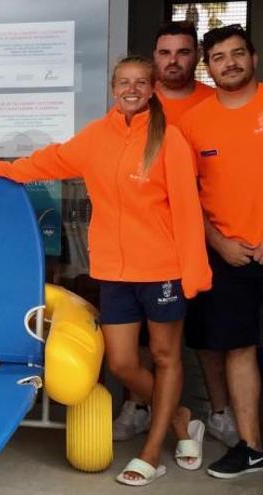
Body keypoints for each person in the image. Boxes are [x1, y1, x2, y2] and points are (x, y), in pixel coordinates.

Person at [0, 55, 211, 485]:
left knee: (166, 357)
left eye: (140, 82)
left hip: (163, 267)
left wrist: (194, 272)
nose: (131, 89)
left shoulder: (171, 140)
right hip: (114, 270)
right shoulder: (96, 137)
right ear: (113, 89)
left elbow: (187, 210)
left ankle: (151, 452)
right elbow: (49, 161)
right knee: (123, 361)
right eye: (124, 82)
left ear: (151, 89)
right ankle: (182, 419)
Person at [112, 20, 233, 445]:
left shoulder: (213, 101)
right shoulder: (137, 103)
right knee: (142, 336)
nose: (173, 61)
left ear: (196, 57)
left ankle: (219, 412)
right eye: (165, 53)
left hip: (211, 236)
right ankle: (139, 405)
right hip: (152, 247)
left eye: (183, 52)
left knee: (208, 335)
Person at [178, 24, 263, 479]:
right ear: (207, 67)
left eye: (237, 54)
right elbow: (186, 195)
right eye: (219, 57)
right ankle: (251, 447)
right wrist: (219, 243)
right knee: (238, 347)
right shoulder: (194, 123)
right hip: (226, 254)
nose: (229, 63)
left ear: (252, 58)